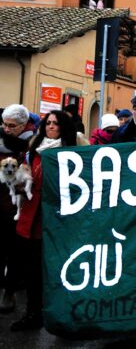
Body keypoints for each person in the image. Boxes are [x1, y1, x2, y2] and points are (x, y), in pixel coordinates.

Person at [12, 110, 87, 331]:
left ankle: (66, 315)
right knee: (32, 273)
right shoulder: (34, 151)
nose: (50, 127)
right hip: (31, 220)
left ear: (64, 127)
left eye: (55, 123)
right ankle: (33, 314)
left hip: (57, 222)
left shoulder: (72, 153)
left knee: (61, 273)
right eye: (48, 123)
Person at [0, 105, 36, 315]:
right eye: (4, 124)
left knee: (15, 251)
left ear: (23, 126)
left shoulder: (31, 144)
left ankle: (9, 291)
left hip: (19, 206)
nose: (6, 128)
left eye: (11, 125)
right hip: (0, 200)